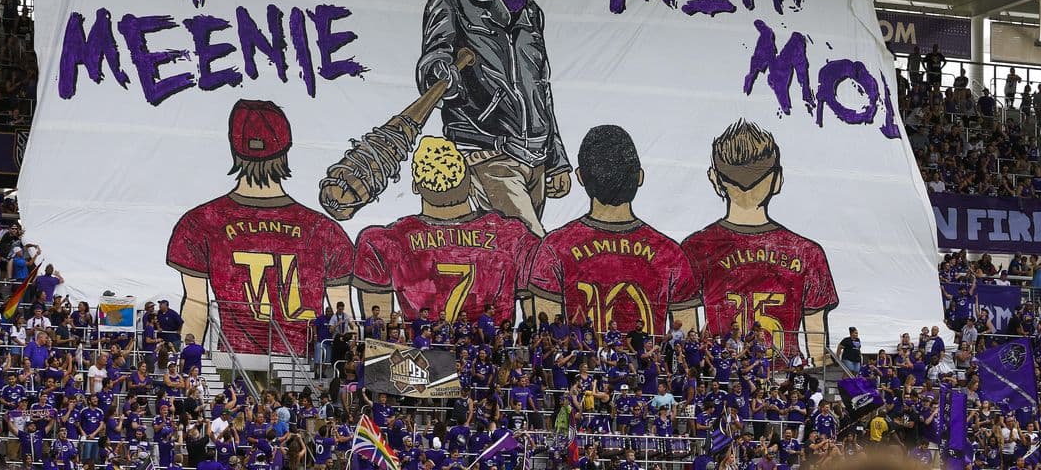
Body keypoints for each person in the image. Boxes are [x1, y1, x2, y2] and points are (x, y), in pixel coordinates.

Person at [416, 0, 570, 235]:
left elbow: (540, 88)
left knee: (514, 258)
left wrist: (556, 159)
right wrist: (442, 73)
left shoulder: (531, 14)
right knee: (532, 245)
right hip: (486, 152)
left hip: (535, 158)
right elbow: (432, 59)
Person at [166, 100, 355, 353]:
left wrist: (187, 357)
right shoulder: (325, 230)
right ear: (285, 149)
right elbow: (346, 312)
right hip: (302, 358)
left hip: (235, 356)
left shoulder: (200, 222)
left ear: (234, 149)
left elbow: (196, 309)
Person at [682, 119, 838, 364]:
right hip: (784, 369)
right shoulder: (808, 252)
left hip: (724, 367)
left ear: (714, 178)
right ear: (778, 180)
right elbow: (817, 346)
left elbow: (685, 331)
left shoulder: (696, 247)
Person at [524, 124, 699, 335]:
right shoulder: (671, 254)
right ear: (640, 177)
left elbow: (548, 331)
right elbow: (688, 334)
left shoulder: (555, 247)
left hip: (583, 356)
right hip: (645, 355)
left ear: (580, 177)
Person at [352, 136, 540, 325]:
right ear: (470, 185)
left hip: (423, 343)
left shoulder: (387, 241)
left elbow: (378, 329)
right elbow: (535, 317)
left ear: (416, 187)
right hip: (490, 342)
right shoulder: (513, 237)